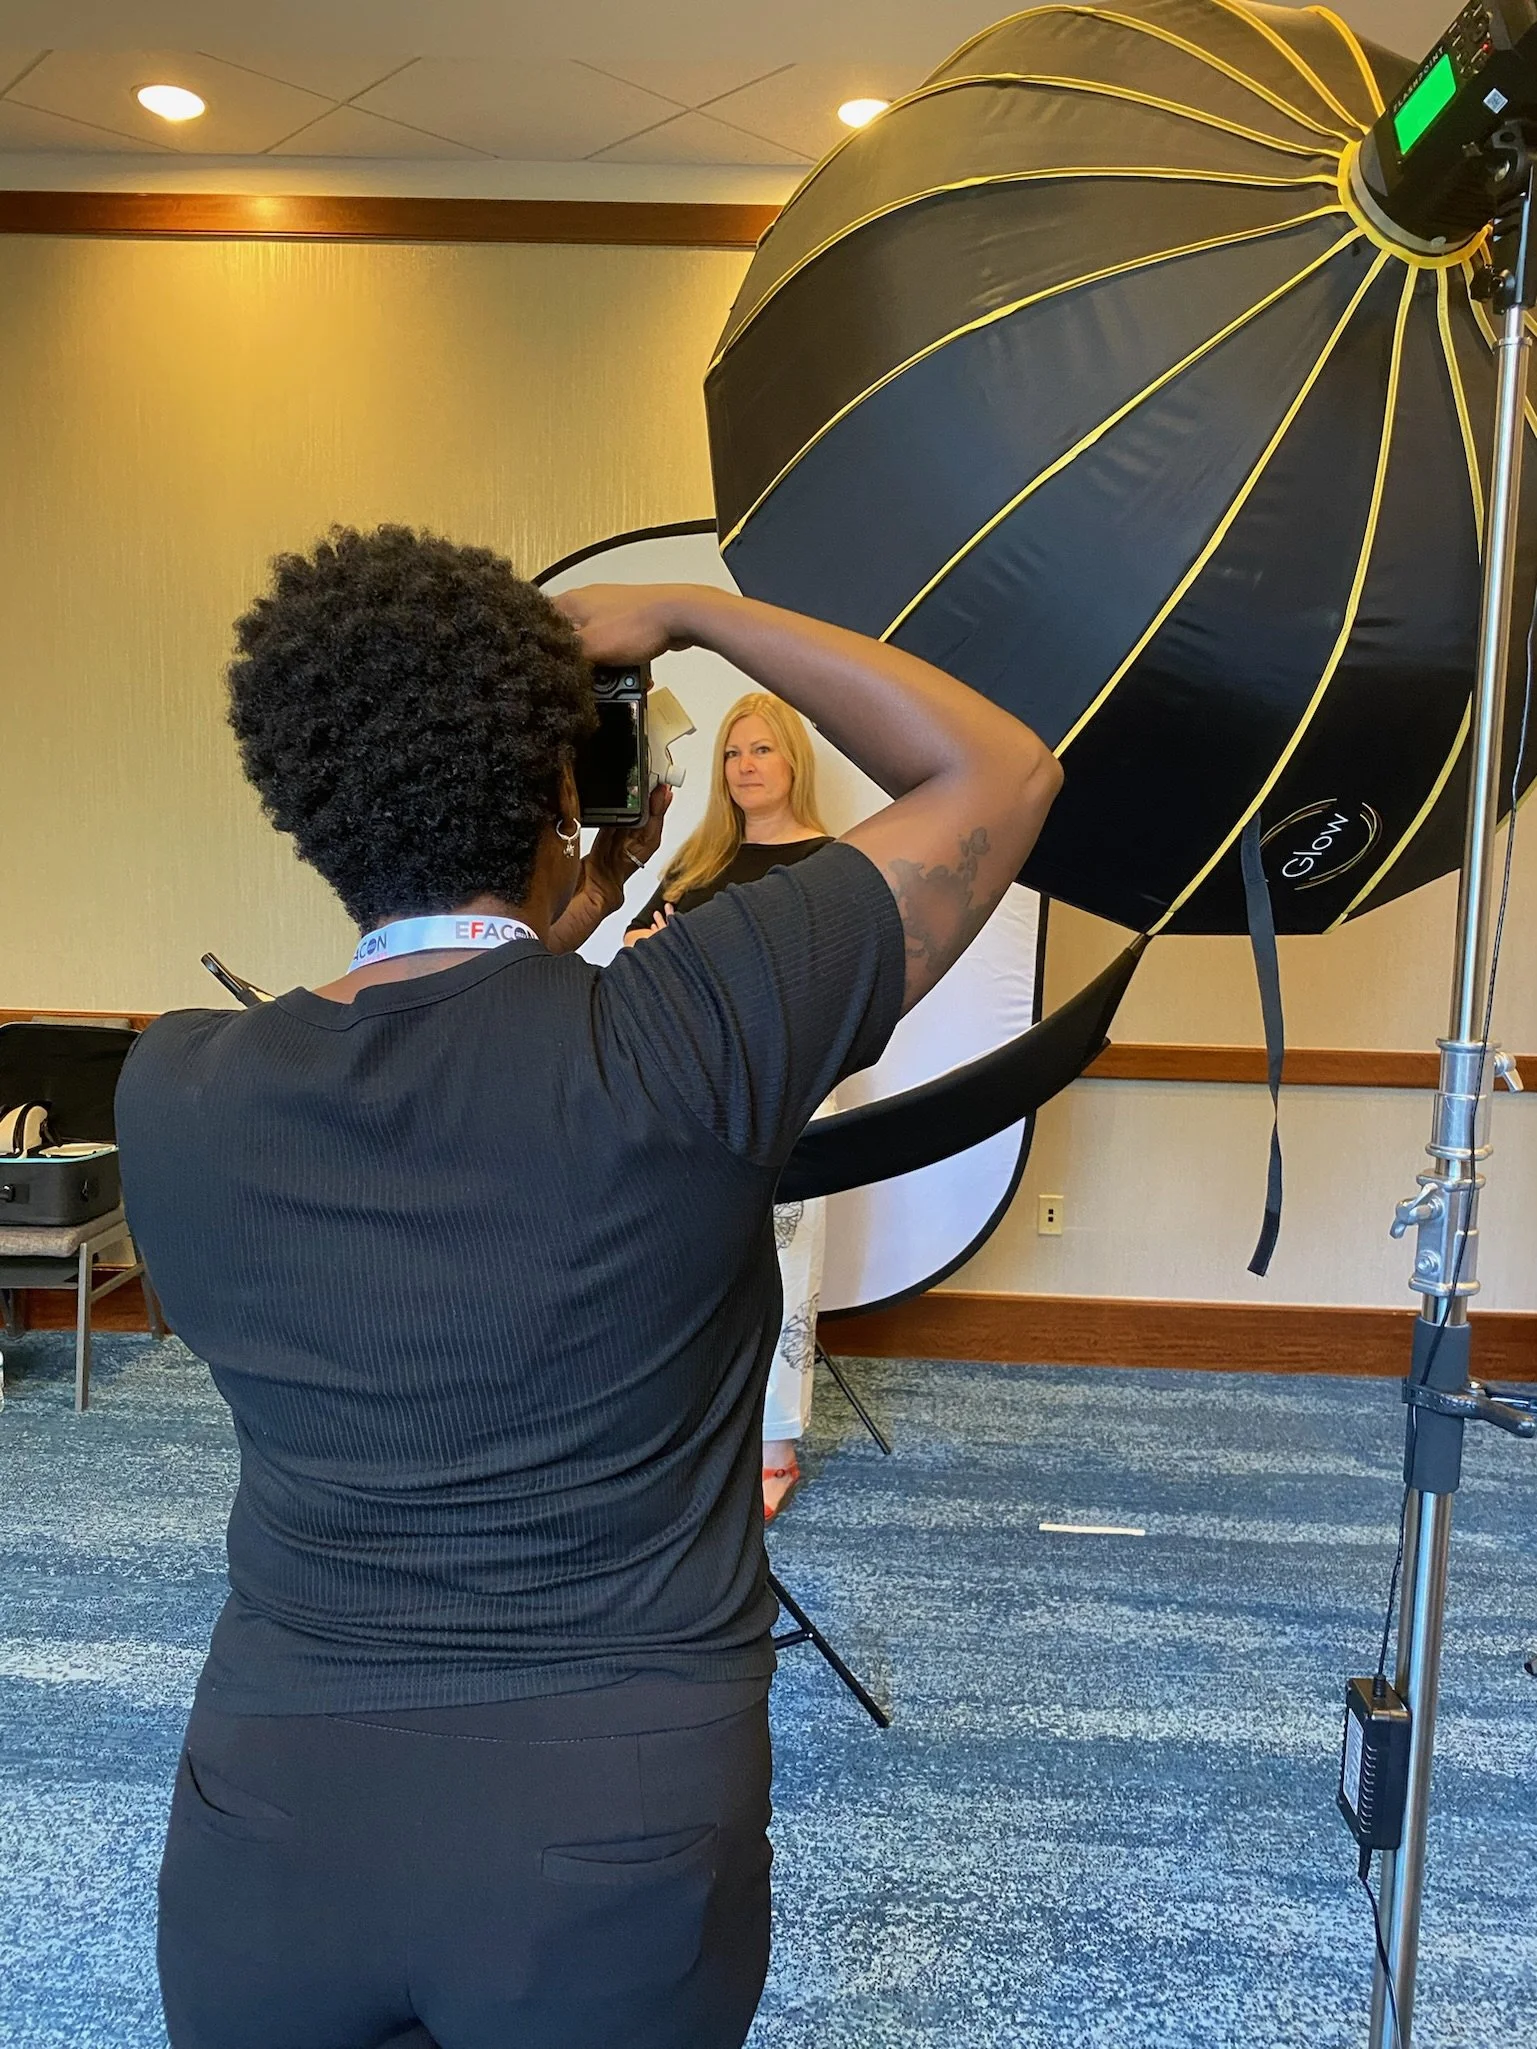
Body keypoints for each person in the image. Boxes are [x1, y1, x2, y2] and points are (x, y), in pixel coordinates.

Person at [115, 525, 1062, 2049]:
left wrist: (550, 913)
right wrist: (694, 608)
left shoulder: (176, 1089)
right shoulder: (690, 1037)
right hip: (611, 1824)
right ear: (567, 790)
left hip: (271, 1824)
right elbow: (999, 774)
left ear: (306, 805)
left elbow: (436, 1082)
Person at [626, 693, 833, 1520]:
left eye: (761, 751)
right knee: (690, 1256)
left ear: (792, 763)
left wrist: (695, 955)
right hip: (690, 1085)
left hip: (785, 1083)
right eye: (731, 754)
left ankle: (774, 1443)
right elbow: (634, 952)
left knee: (782, 1261)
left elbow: (822, 981)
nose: (745, 766)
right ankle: (695, 1423)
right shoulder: (700, 860)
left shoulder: (826, 864)